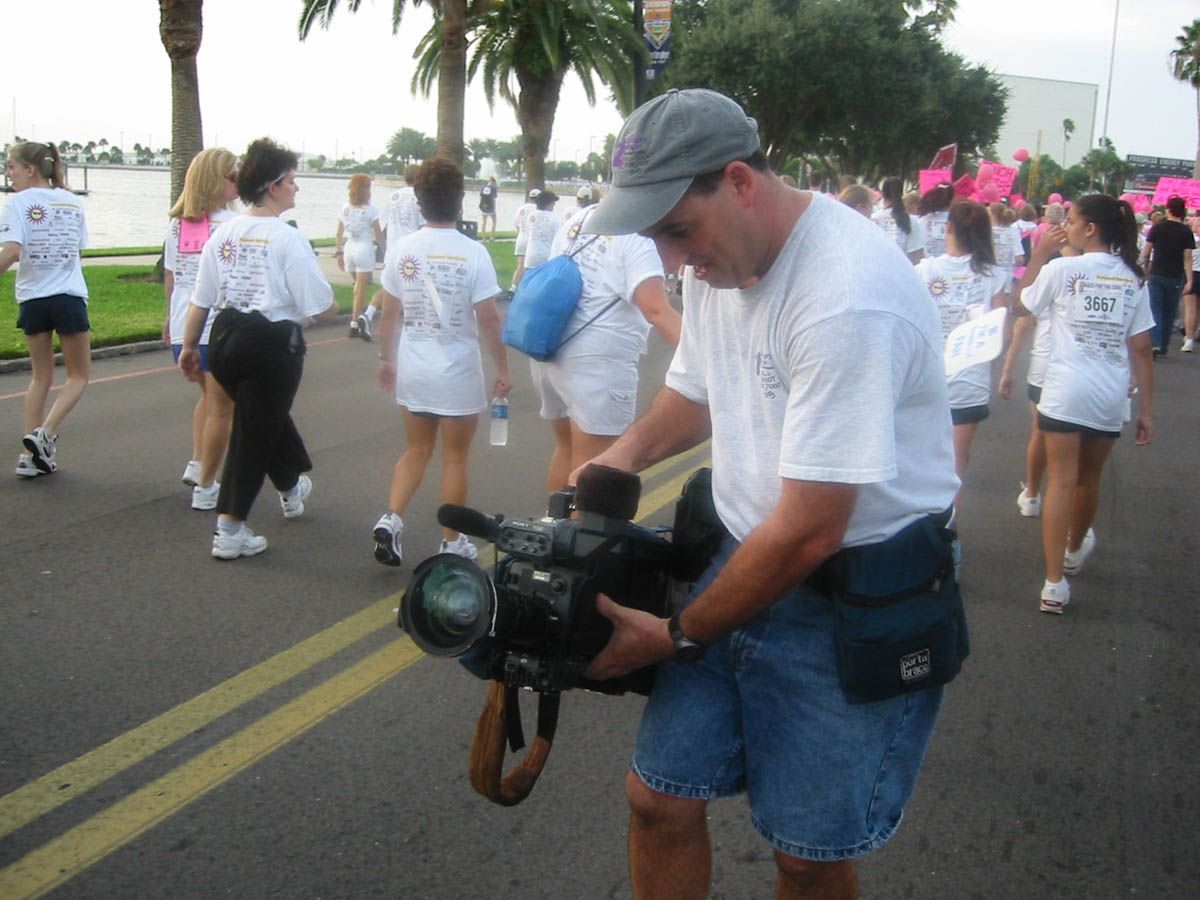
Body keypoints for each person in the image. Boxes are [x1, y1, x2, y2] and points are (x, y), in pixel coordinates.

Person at [578, 88, 959, 899]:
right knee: (658, 800)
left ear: (741, 182)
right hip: (740, 559)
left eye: (678, 230)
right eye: (657, 238)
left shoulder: (844, 295)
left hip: (853, 597)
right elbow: (695, 394)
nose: (674, 262)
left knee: (807, 855)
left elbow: (813, 529)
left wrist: (676, 634)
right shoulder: (721, 260)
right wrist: (618, 460)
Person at [181, 138, 337, 560]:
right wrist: (333, 308)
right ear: (272, 186)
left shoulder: (224, 233)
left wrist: (191, 346)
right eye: (292, 181)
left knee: (263, 417)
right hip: (270, 344)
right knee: (253, 435)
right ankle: (230, 529)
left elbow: (202, 297)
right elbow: (318, 304)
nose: (296, 189)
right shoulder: (286, 239)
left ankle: (291, 486)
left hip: (225, 336)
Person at [1012, 194, 1154, 614]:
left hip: (1064, 388)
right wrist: (1147, 409)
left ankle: (1053, 583)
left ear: (1090, 228)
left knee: (1060, 481)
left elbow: (1022, 304)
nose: (1066, 227)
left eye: (1071, 220)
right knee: (1089, 478)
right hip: (1109, 391)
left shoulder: (1061, 268)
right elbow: (1142, 347)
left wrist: (1039, 254)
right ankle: (1074, 550)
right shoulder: (1133, 277)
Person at [371, 157, 511, 567]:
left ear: (419, 201)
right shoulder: (473, 253)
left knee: (416, 450)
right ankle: (452, 542)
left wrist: (385, 358)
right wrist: (503, 369)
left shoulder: (402, 249)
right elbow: (488, 319)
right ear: (460, 198)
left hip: (414, 367)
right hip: (457, 373)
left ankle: (391, 519)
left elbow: (390, 314)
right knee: (454, 458)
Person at [530, 201, 681, 492]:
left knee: (566, 449)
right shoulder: (639, 231)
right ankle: (576, 536)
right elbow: (657, 310)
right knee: (594, 473)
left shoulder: (583, 217)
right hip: (596, 366)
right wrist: (709, 360)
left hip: (551, 349)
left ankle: (553, 529)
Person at [0, 141, 90, 478]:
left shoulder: (16, 204)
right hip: (68, 297)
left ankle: (29, 457)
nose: (8, 174)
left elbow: (10, 252)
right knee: (78, 376)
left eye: (11, 167)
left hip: (33, 299)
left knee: (40, 377)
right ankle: (43, 434)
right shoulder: (72, 203)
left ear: (30, 169)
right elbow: (78, 253)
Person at [914, 200, 1008, 503]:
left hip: (925, 378)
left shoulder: (924, 270)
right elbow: (1000, 330)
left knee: (919, 459)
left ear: (948, 228)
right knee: (956, 463)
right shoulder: (994, 275)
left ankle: (919, 526)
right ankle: (946, 530)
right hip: (970, 379)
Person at [162, 147, 239, 510]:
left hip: (183, 325)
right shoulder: (231, 227)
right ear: (215, 181)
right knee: (223, 409)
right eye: (232, 176)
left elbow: (172, 277)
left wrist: (168, 320)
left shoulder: (178, 225)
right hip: (213, 327)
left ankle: (197, 462)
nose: (238, 182)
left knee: (208, 399)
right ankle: (207, 484)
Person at [1140, 195, 1194, 357]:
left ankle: (1155, 342)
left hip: (1157, 272)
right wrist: (1190, 279)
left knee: (1155, 309)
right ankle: (1163, 344)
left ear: (1168, 209)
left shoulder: (1157, 228)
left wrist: (1146, 269)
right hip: (1176, 275)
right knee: (1169, 312)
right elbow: (1188, 257)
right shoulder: (1186, 232)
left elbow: (1146, 252)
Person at [336, 173, 385, 341]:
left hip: (350, 247)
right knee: (360, 289)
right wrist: (385, 250)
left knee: (358, 285)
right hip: (364, 248)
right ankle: (355, 323)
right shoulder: (371, 210)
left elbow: (339, 233)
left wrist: (339, 252)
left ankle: (357, 319)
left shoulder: (345, 208)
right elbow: (378, 234)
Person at [511, 190, 561, 288]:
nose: (554, 205)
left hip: (530, 257)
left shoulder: (531, 215)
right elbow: (558, 238)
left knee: (528, 286)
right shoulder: (555, 218)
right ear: (548, 203)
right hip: (546, 257)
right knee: (542, 287)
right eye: (553, 202)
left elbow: (526, 230)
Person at [872, 176, 925, 264]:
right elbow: (916, 254)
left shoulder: (873, 218)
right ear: (902, 194)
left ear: (883, 194)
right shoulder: (911, 220)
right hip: (903, 271)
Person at [510, 186, 542, 288]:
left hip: (521, 239)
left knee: (520, 266)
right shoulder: (538, 210)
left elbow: (516, 225)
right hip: (531, 241)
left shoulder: (521, 208)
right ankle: (528, 288)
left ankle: (513, 287)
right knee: (531, 268)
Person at [918, 184, 954, 258]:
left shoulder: (922, 220)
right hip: (951, 265)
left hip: (927, 265)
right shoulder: (958, 220)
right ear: (952, 200)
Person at [1183, 214, 1200, 352]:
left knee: (1190, 308)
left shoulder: (1191, 239)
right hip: (1194, 272)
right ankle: (1196, 332)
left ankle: (1189, 339)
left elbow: (1186, 257)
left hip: (1192, 273)